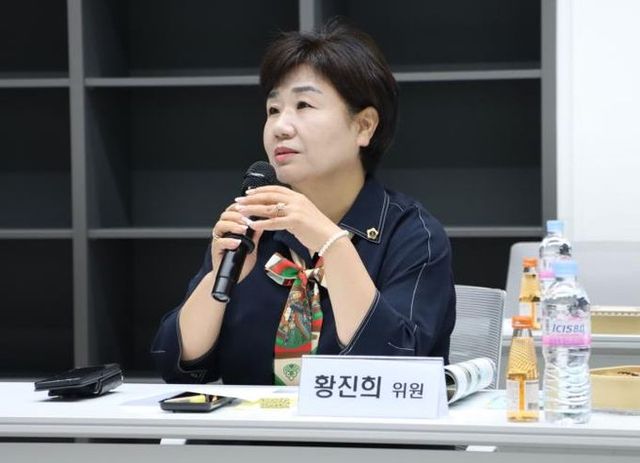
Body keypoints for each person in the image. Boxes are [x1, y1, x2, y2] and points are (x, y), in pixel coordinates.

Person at [151, 19, 456, 386]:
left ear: (364, 126)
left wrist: (332, 244)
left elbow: (397, 367)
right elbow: (176, 365)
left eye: (304, 105)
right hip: (253, 424)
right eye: (273, 110)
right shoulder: (253, 227)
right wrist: (218, 277)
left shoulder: (413, 235)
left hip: (363, 426)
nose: (281, 127)